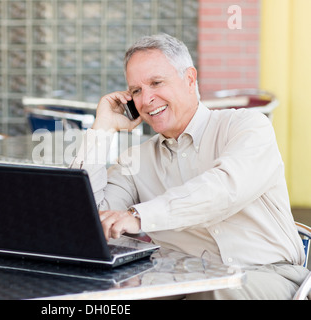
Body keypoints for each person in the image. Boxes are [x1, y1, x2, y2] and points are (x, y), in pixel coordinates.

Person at [71, 33, 309, 299]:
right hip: (183, 281)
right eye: (136, 90)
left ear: (190, 79)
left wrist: (139, 216)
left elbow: (223, 189)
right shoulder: (135, 160)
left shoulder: (247, 126)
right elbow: (85, 221)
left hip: (266, 277)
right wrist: (102, 129)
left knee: (217, 292)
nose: (146, 99)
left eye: (156, 82)